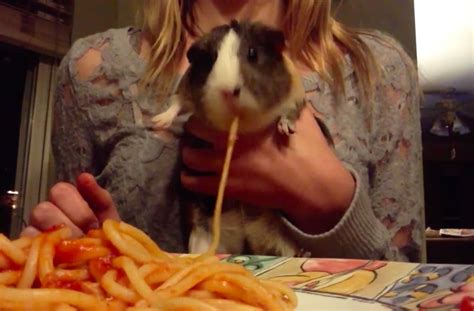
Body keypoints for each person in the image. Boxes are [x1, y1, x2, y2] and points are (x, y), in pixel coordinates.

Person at [23, 0, 425, 262]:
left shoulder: (379, 69)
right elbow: (75, 252)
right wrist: (94, 252)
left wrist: (332, 205)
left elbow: (412, 281)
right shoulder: (93, 71)